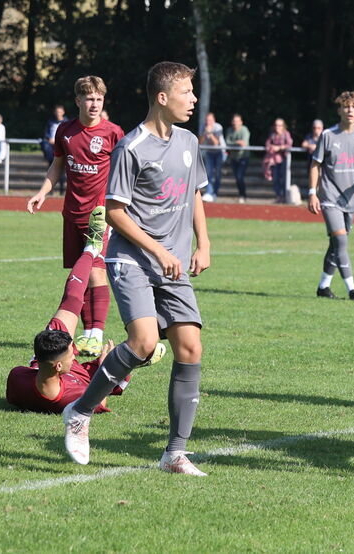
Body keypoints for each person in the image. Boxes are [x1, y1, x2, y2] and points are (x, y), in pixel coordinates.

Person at [60, 61, 212, 477]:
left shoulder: (188, 141)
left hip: (174, 264)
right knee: (143, 343)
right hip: (132, 259)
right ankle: (79, 411)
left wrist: (204, 243)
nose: (193, 99)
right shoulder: (131, 147)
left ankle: (174, 454)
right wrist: (158, 250)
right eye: (187, 92)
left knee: (190, 348)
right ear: (162, 98)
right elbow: (114, 212)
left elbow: (196, 195)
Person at [6, 209, 164, 414]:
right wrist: (103, 368)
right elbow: (102, 402)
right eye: (72, 353)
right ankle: (134, 360)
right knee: (135, 350)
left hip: (41, 368)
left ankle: (92, 246)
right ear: (59, 367)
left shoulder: (17, 376)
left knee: (71, 300)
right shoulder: (72, 397)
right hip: (86, 376)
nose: (75, 354)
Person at [27, 76, 124, 354]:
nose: (95, 104)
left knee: (95, 272)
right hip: (71, 212)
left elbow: (126, 171)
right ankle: (87, 335)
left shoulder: (113, 132)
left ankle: (96, 333)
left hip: (99, 215)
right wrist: (43, 192)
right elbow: (57, 165)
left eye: (99, 99)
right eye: (90, 98)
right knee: (79, 276)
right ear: (78, 101)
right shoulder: (65, 130)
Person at [307, 91, 354, 301]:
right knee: (342, 243)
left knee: (336, 245)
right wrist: (312, 193)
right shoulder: (328, 135)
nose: (350, 110)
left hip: (351, 200)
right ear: (339, 110)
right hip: (330, 198)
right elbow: (315, 165)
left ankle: (323, 286)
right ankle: (352, 289)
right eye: (346, 107)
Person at [264, 118, 293, 203]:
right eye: (276, 125)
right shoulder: (272, 135)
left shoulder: (286, 134)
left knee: (283, 178)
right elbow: (267, 144)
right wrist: (272, 148)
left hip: (284, 159)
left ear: (283, 126)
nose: (277, 127)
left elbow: (289, 144)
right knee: (275, 178)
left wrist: (279, 148)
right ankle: (278, 196)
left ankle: (284, 196)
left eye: (279, 125)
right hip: (274, 160)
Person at [225, 113, 251, 203]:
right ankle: (241, 194)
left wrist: (234, 143)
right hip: (233, 158)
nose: (235, 123)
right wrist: (237, 143)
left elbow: (244, 143)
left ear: (241, 122)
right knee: (237, 177)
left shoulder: (244, 130)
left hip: (243, 157)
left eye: (237, 121)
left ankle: (243, 195)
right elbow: (227, 142)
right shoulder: (229, 130)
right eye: (234, 121)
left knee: (240, 176)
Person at [201, 111, 225, 202]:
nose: (208, 122)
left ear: (214, 120)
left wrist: (210, 134)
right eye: (207, 120)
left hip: (219, 152)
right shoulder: (203, 126)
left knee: (218, 174)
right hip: (209, 153)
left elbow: (216, 143)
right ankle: (209, 192)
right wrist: (204, 133)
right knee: (208, 173)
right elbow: (201, 142)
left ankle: (214, 192)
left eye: (210, 120)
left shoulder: (218, 127)